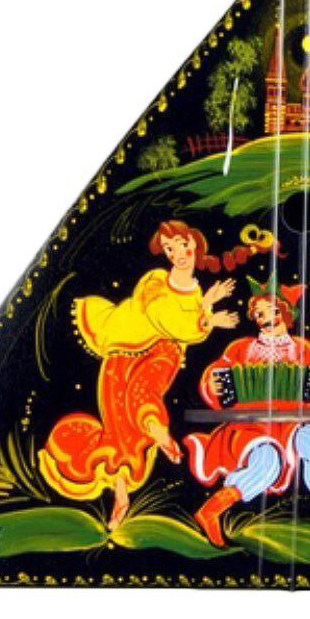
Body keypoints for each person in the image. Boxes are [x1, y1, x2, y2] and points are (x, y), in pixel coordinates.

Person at [42, 219, 238, 529]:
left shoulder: (195, 291)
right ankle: (121, 490)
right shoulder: (155, 280)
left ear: (194, 242)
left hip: (163, 353)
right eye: (170, 249)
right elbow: (168, 319)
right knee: (119, 427)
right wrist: (209, 316)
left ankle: (157, 432)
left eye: (182, 244)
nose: (178, 253)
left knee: (143, 396)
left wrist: (206, 305)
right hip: (126, 351)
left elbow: (183, 329)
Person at [184, 279, 310, 545]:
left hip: (291, 425)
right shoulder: (240, 348)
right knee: (267, 462)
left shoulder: (302, 348)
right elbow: (216, 378)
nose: (266, 319)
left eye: (271, 311)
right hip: (248, 428)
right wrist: (212, 384)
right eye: (259, 314)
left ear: (285, 313)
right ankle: (211, 511)